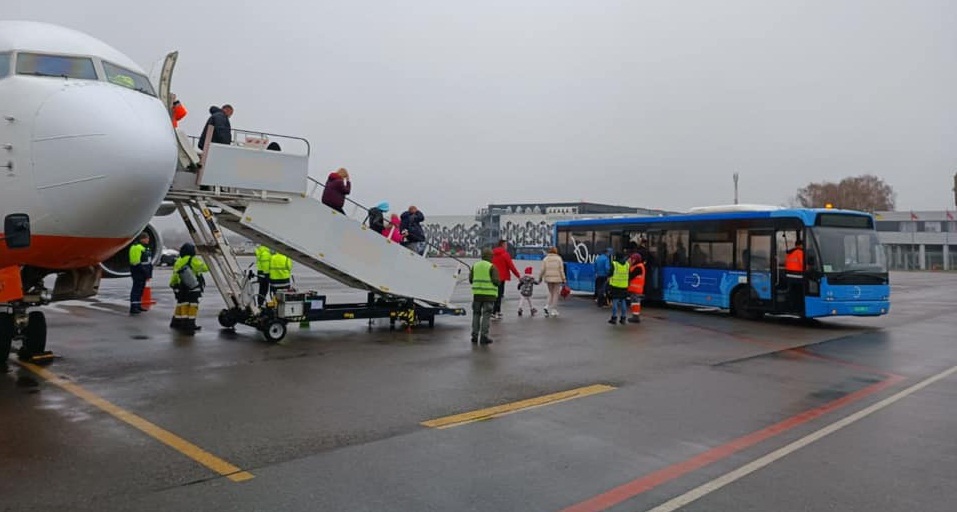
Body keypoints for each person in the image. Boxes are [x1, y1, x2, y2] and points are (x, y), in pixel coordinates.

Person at [169, 243, 209, 334]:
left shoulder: (179, 260)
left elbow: (175, 274)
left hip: (182, 286)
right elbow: (205, 268)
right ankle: (190, 324)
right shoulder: (193, 260)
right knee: (193, 305)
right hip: (192, 286)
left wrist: (173, 284)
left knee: (182, 304)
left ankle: (178, 322)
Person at [469, 248, 500, 345]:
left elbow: (471, 280)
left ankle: (474, 336)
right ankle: (484, 337)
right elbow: (496, 281)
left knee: (476, 314)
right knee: (486, 315)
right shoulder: (492, 267)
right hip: (489, 296)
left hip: (477, 295)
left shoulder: (475, 266)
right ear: (490, 257)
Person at [490, 239, 521, 319]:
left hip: (493, 276)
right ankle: (494, 312)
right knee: (499, 295)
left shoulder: (492, 253)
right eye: (506, 245)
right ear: (502, 245)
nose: (507, 247)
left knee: (495, 294)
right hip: (501, 277)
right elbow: (511, 266)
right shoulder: (505, 254)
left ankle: (498, 311)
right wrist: (518, 276)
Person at [128, 232, 153, 315]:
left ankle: (138, 305)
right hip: (138, 272)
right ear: (142, 239)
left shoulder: (145, 248)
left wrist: (149, 273)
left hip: (144, 272)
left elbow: (148, 262)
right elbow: (135, 262)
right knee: (136, 289)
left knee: (141, 289)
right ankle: (134, 306)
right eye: (147, 238)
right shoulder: (136, 248)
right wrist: (144, 271)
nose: (148, 240)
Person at [538, 247, 566, 318]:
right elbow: (561, 270)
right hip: (557, 279)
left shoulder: (545, 259)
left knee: (550, 292)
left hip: (548, 278)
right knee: (556, 294)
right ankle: (553, 310)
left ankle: (546, 306)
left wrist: (540, 278)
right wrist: (564, 279)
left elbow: (542, 270)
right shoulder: (559, 259)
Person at [607, 252, 631, 325]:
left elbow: (610, 273)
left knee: (615, 301)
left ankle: (614, 318)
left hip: (615, 286)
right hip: (624, 286)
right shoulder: (627, 264)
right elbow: (629, 274)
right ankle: (623, 318)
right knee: (623, 301)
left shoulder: (614, 264)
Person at [627, 253, 646, 323]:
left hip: (636, 288)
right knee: (634, 303)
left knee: (635, 302)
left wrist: (628, 266)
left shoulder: (638, 267)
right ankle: (635, 316)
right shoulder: (638, 266)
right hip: (635, 288)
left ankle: (636, 317)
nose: (631, 261)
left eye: (632, 259)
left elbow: (631, 276)